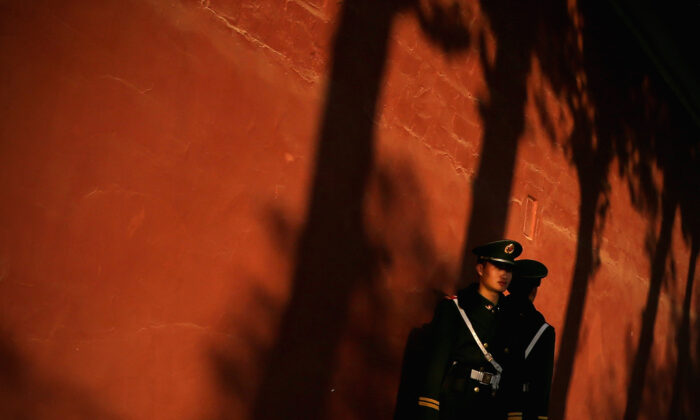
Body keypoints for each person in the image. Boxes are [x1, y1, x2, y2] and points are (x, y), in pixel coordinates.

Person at [417, 240, 524, 420]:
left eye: (509, 269)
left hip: (491, 408)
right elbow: (435, 368)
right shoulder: (455, 308)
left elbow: (513, 376)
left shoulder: (512, 318)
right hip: (456, 405)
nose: (504, 274)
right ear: (481, 269)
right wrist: (429, 411)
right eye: (498, 266)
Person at [506, 259, 555, 420]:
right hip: (520, 409)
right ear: (534, 290)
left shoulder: (494, 310)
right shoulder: (543, 330)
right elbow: (542, 385)